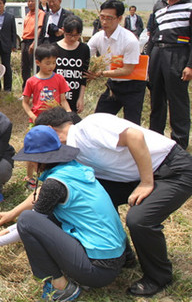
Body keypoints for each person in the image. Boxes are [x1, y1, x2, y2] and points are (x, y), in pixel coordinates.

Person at [36, 107, 192, 297]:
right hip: (133, 176)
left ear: (52, 131)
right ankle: (123, 254)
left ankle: (159, 276)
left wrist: (146, 182)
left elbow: (135, 137)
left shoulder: (90, 127)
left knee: (140, 219)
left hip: (171, 170)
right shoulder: (72, 150)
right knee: (96, 198)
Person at [0, 125, 126, 301]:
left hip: (98, 270)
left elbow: (30, 223)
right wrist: (10, 225)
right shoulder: (72, 170)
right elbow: (40, 214)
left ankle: (61, 287)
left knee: (27, 218)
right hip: (116, 258)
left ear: (37, 159)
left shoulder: (54, 184)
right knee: (40, 217)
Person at [147, 0, 192, 149]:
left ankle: (179, 143)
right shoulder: (158, 6)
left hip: (178, 54)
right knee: (156, 99)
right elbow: (152, 35)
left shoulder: (189, 6)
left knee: (177, 101)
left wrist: (190, 65)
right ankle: (155, 140)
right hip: (157, 53)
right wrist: (147, 60)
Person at [87, 0, 145, 125]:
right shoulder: (98, 36)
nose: (104, 22)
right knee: (99, 120)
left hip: (133, 86)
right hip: (113, 84)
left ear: (119, 19)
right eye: (102, 17)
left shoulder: (130, 40)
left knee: (132, 124)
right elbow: (85, 55)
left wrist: (101, 73)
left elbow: (127, 70)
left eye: (109, 18)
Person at [22, 43, 71, 190]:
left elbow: (63, 100)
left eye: (54, 62)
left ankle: (52, 175)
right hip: (38, 120)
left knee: (55, 148)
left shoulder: (59, 79)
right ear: (38, 62)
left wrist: (69, 115)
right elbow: (25, 102)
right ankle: (30, 176)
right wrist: (32, 115)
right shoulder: (32, 81)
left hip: (55, 120)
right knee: (32, 149)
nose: (51, 66)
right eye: (47, 63)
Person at [54, 15, 90, 113]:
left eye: (76, 35)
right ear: (63, 31)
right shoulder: (54, 48)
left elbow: (83, 77)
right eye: (69, 34)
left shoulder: (84, 49)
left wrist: (81, 98)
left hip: (74, 94)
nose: (73, 38)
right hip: (55, 96)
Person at [20, 0, 44, 91]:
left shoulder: (40, 13)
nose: (30, 3)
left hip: (33, 41)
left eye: (32, 1)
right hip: (24, 42)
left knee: (34, 66)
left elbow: (39, 29)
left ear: (37, 2)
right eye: (29, 1)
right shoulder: (28, 14)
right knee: (24, 66)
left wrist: (34, 43)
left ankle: (36, 89)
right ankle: (25, 90)